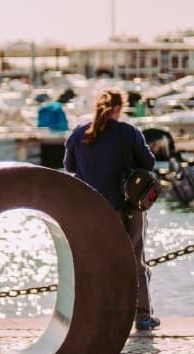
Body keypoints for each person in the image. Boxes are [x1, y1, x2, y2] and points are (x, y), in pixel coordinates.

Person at [65, 87, 159, 331]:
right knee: (135, 261)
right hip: (127, 209)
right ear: (119, 108)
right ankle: (142, 317)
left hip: (93, 210)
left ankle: (98, 315)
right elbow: (148, 163)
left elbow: (69, 166)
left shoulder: (79, 133)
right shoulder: (128, 132)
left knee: (97, 263)